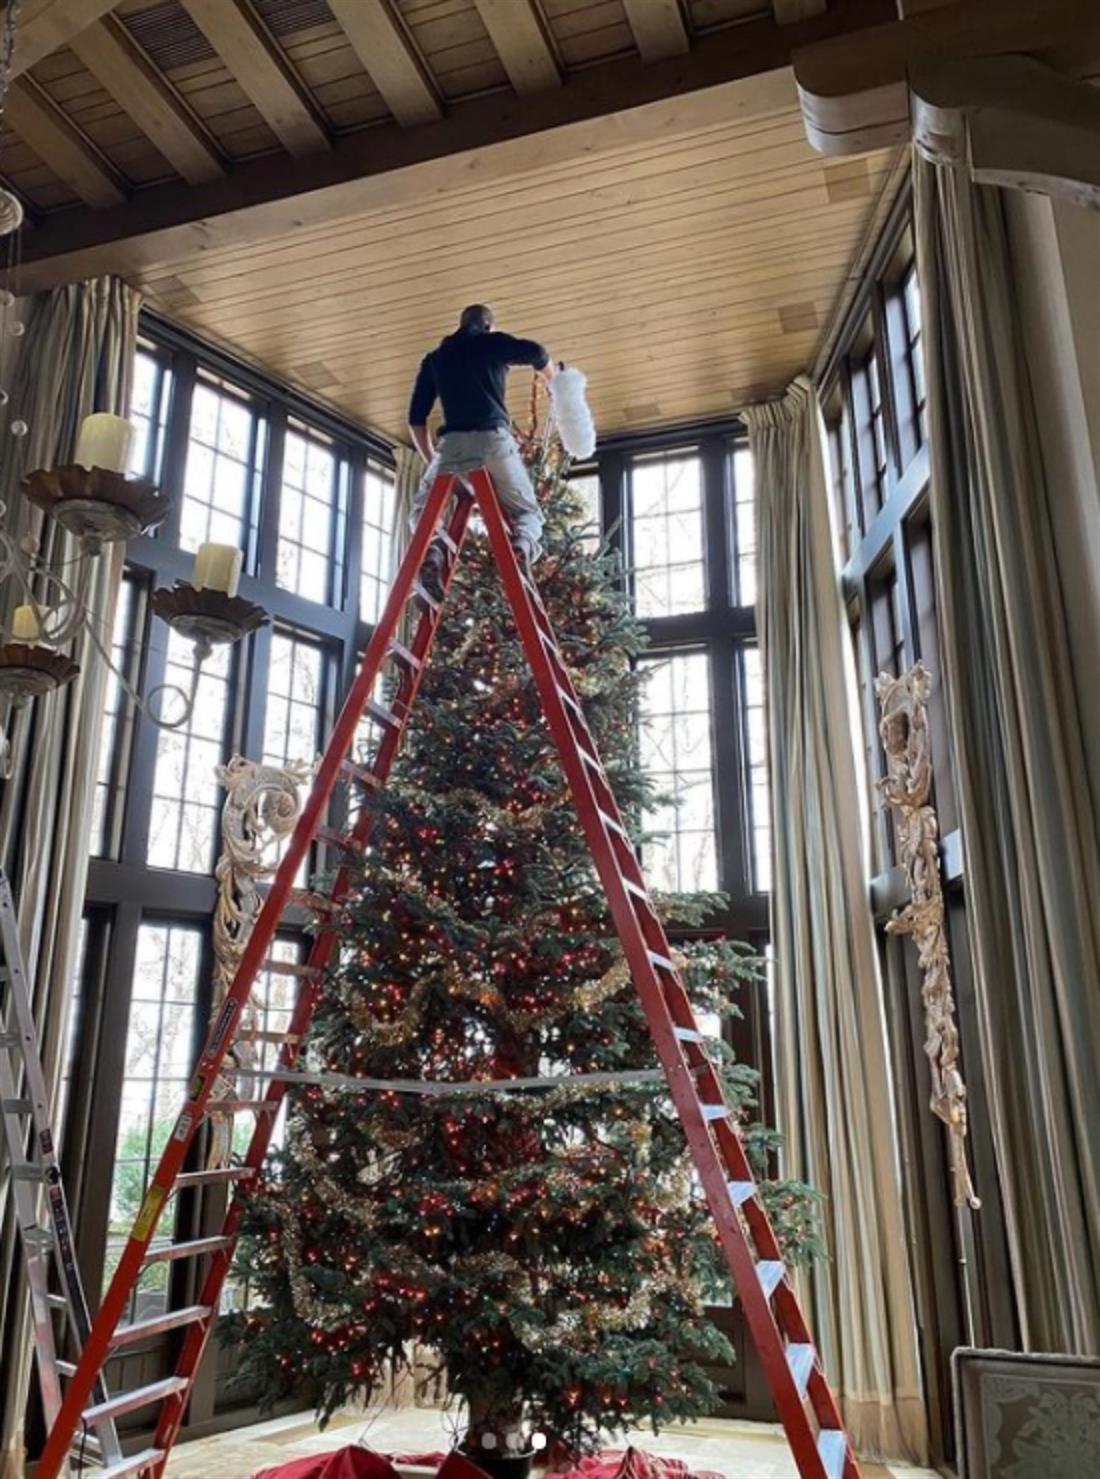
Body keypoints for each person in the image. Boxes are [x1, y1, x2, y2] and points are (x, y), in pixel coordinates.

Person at [407, 304, 556, 599]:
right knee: (527, 511)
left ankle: (434, 549)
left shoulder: (436, 358)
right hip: (493, 441)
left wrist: (432, 460)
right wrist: (554, 382)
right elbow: (537, 352)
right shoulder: (492, 343)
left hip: (452, 446)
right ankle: (521, 546)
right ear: (488, 326)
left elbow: (415, 419)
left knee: (422, 512)